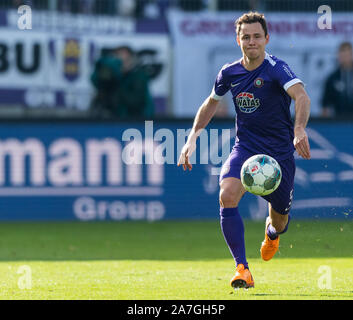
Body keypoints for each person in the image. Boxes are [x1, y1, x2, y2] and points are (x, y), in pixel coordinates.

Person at [177, 12, 311, 289]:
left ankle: (271, 234)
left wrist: (299, 130)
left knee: (281, 220)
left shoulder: (276, 68)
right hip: (246, 148)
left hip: (279, 154)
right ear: (238, 40)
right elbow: (211, 102)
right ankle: (242, 269)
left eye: (257, 37)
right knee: (226, 195)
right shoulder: (230, 72)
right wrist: (192, 137)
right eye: (246, 37)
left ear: (266, 39)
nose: (252, 42)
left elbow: (301, 96)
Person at [90, 45, 154, 119]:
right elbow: (97, 82)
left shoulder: (139, 76)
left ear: (132, 59)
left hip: (138, 121)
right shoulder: (113, 76)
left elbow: (135, 102)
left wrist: (118, 80)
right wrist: (105, 69)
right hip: (115, 120)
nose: (122, 63)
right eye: (118, 60)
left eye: (126, 60)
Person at [321, 42, 353, 118]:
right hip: (338, 121)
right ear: (338, 56)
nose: (345, 58)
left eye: (347, 55)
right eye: (342, 55)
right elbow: (325, 104)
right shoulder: (332, 78)